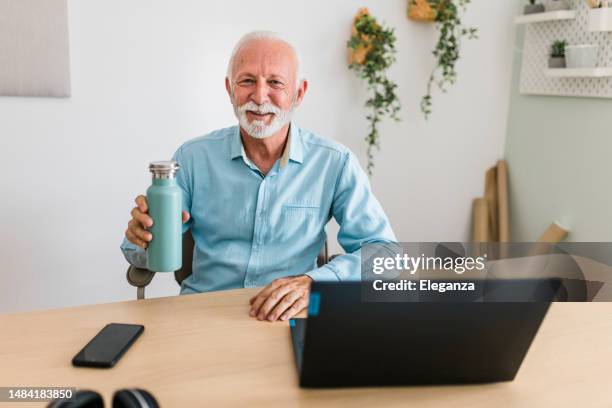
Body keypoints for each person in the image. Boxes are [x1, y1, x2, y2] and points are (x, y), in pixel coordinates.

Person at [121, 31, 396, 322]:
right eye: (247, 81)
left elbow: (387, 255)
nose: (260, 96)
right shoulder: (191, 158)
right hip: (202, 317)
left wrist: (318, 283)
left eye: (275, 82)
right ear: (230, 89)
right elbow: (140, 255)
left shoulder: (334, 162)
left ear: (299, 93)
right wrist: (142, 240)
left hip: (287, 318)